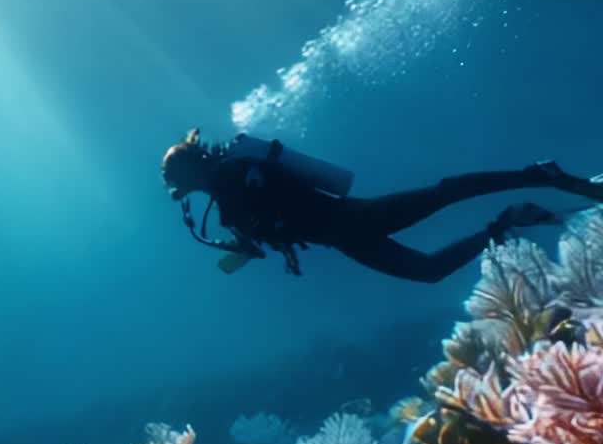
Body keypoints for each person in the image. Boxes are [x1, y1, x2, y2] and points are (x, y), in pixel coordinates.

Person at [161, 128, 603, 282]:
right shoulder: (230, 181)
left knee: (441, 207)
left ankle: (519, 202)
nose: (184, 194)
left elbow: (259, 229)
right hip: (347, 230)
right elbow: (266, 224)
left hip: (349, 225)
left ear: (190, 175)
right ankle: (517, 204)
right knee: (442, 203)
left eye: (180, 185)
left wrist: (241, 242)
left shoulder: (227, 183)